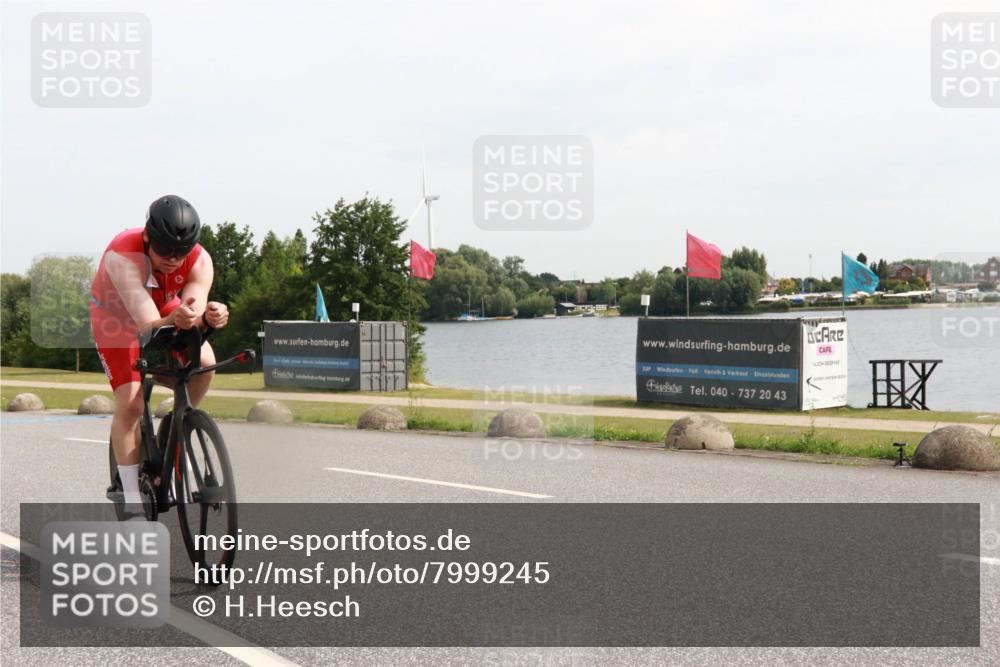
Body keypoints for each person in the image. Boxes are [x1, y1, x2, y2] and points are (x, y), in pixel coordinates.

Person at [90, 195, 229, 514]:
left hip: (163, 308)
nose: (173, 258)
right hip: (116, 318)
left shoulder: (200, 259)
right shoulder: (122, 254)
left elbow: (190, 312)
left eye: (181, 252)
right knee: (132, 402)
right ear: (147, 237)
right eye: (165, 249)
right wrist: (176, 318)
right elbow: (147, 322)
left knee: (205, 363)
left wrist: (210, 316)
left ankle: (175, 422)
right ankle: (132, 500)